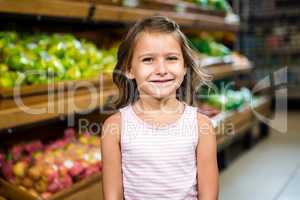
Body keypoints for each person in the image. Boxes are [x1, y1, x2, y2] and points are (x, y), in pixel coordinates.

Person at [101, 15, 218, 200]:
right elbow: (112, 196)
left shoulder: (201, 125)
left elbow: (209, 195)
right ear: (129, 69)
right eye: (148, 60)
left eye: (171, 58)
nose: (161, 69)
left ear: (185, 66)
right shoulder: (115, 127)